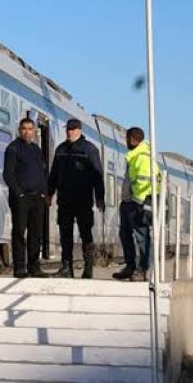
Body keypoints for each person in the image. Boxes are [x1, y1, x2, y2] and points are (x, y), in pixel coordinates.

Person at [47, 118, 106, 279]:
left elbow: (97, 176)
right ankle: (66, 267)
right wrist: (50, 192)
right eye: (68, 129)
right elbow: (54, 174)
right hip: (65, 199)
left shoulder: (90, 150)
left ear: (80, 130)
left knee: (85, 233)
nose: (70, 132)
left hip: (83, 200)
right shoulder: (60, 150)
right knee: (65, 234)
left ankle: (88, 268)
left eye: (73, 129)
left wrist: (100, 197)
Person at [3, 117, 49, 278]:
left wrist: (44, 194)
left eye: (30, 129)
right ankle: (20, 267)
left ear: (35, 131)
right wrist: (19, 194)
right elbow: (8, 174)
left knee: (36, 234)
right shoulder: (13, 148)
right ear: (19, 130)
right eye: (24, 129)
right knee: (19, 232)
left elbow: (43, 174)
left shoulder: (37, 150)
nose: (27, 132)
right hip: (21, 199)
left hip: (38, 198)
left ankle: (34, 266)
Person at [113, 126, 159, 282]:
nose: (126, 142)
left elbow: (144, 182)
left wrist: (138, 202)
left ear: (132, 139)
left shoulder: (143, 157)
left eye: (127, 139)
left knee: (142, 236)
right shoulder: (134, 155)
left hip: (137, 204)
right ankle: (130, 266)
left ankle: (142, 269)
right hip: (128, 202)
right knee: (125, 234)